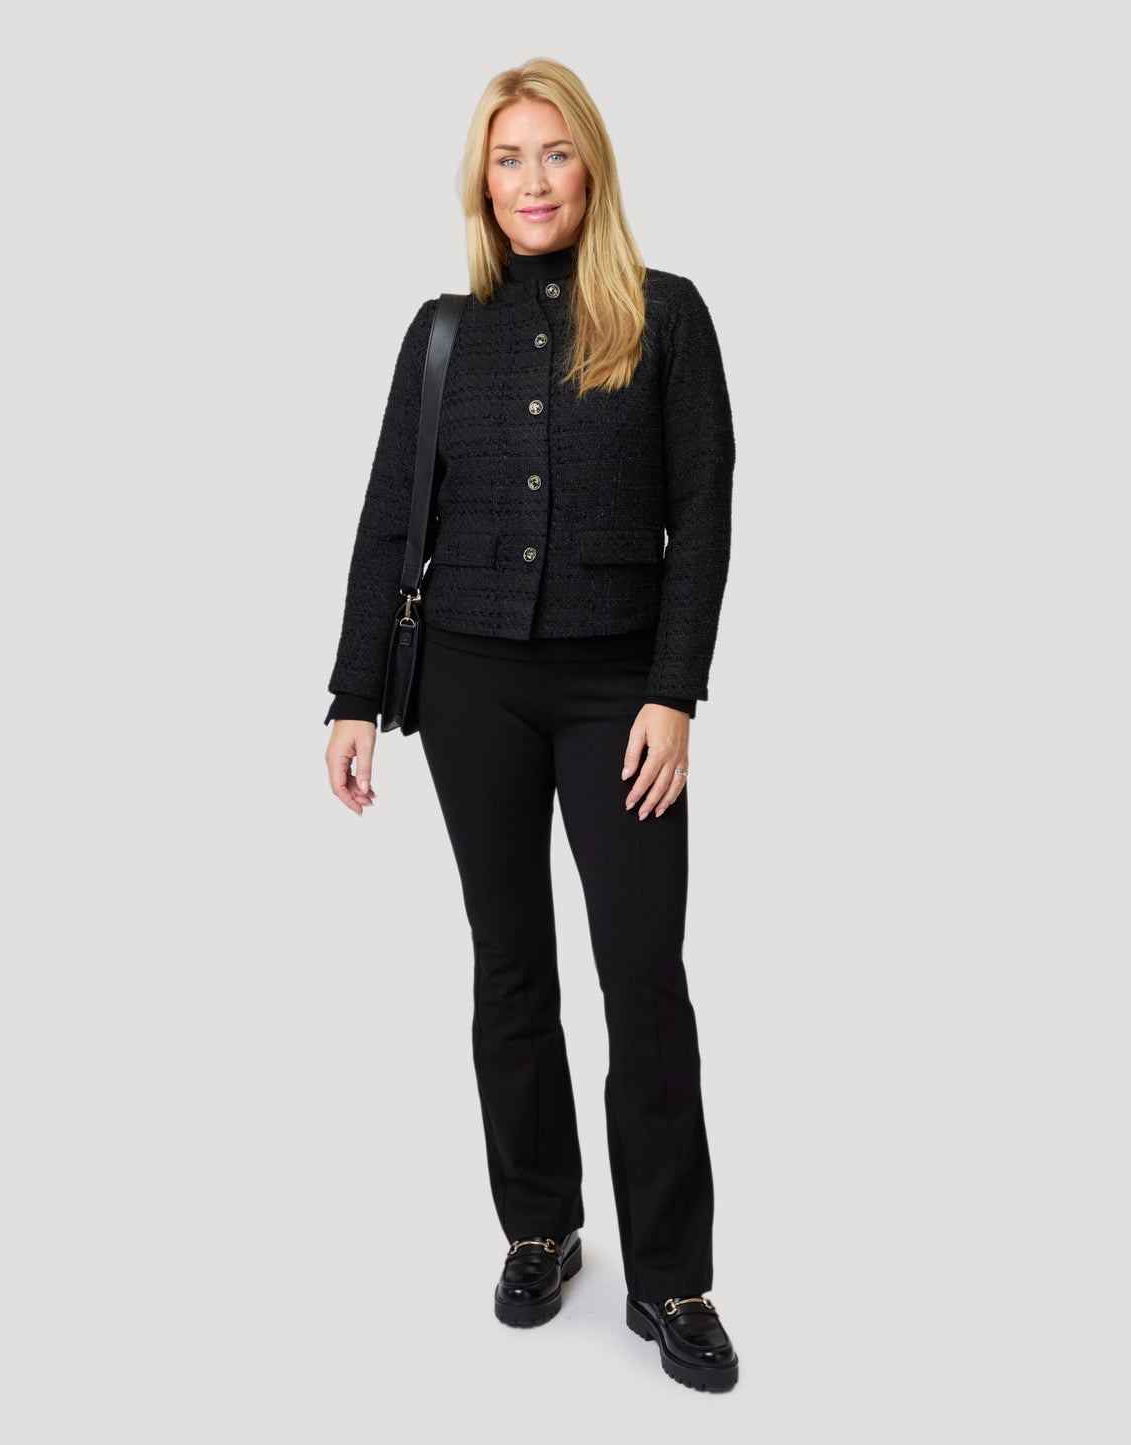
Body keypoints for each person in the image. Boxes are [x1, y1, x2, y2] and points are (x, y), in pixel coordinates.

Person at [323, 57, 739, 1393]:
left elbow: (703, 516)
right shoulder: (444, 330)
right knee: (509, 965)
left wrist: (673, 691)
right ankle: (540, 1225)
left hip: (621, 692)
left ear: (590, 166)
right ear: (482, 182)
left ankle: (671, 1275)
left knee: (643, 975)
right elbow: (389, 513)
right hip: (469, 685)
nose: (532, 180)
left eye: (553, 153)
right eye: (508, 159)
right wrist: (352, 694)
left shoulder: (666, 316)